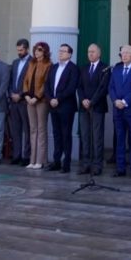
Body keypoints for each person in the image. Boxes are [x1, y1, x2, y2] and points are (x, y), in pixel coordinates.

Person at [109, 44, 131, 179]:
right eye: (122, 53)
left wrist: (124, 102)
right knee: (119, 140)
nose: (123, 55)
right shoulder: (117, 69)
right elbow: (111, 87)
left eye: (126, 53)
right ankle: (120, 168)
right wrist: (115, 101)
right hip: (118, 110)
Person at [47, 43, 81, 174]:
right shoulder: (54, 67)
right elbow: (47, 85)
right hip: (53, 105)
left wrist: (58, 99)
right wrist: (50, 98)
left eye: (63, 51)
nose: (60, 53)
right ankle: (56, 161)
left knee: (66, 134)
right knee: (56, 134)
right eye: (59, 50)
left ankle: (66, 164)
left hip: (66, 106)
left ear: (70, 54)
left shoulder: (73, 69)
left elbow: (71, 88)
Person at [77, 43, 110, 175]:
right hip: (84, 107)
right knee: (85, 136)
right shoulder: (84, 68)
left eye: (93, 51)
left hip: (97, 107)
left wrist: (91, 101)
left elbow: (103, 88)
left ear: (99, 53)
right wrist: (83, 99)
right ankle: (86, 164)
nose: (90, 54)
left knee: (97, 137)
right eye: (88, 52)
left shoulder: (105, 68)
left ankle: (97, 165)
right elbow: (79, 87)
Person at [23, 41, 52, 170]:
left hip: (41, 101)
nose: (36, 52)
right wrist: (27, 95)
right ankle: (32, 160)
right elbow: (26, 80)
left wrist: (36, 97)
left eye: (39, 49)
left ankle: (41, 160)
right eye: (35, 49)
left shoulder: (48, 64)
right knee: (32, 129)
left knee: (41, 130)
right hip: (30, 100)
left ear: (45, 51)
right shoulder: (31, 63)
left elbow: (46, 83)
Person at [6, 39, 32, 166]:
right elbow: (10, 80)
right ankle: (16, 155)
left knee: (27, 129)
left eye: (21, 50)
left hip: (24, 101)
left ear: (27, 49)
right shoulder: (15, 62)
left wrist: (21, 94)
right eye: (18, 50)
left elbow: (30, 83)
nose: (19, 52)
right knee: (15, 129)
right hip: (14, 101)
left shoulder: (32, 62)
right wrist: (11, 93)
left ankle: (26, 156)